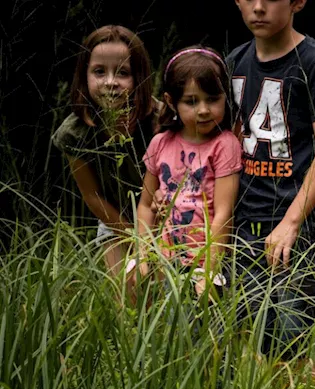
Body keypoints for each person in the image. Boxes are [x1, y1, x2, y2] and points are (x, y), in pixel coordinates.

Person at [227, 0, 315, 359]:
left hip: (299, 224)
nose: (259, 8)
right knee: (252, 336)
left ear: (297, 2)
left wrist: (291, 222)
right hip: (244, 222)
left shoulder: (314, 61)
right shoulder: (234, 61)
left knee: (299, 342)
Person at [131, 47, 242, 297]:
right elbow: (146, 204)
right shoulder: (160, 143)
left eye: (212, 99)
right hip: (164, 259)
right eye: (191, 101)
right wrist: (144, 254)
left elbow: (224, 212)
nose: (203, 109)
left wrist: (209, 270)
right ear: (171, 101)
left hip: (207, 260)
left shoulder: (225, 145)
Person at [52, 25, 158, 276]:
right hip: (115, 218)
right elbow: (92, 196)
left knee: (163, 291)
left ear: (139, 77)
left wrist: (152, 238)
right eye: (99, 72)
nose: (111, 82)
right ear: (84, 75)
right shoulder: (74, 133)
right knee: (128, 292)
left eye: (123, 73)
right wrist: (133, 236)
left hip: (167, 217)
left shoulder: (160, 121)